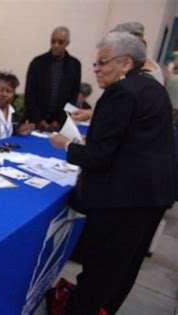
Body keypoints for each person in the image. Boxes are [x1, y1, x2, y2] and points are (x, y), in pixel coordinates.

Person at [50, 32, 175, 315]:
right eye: (94, 63)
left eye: (102, 62)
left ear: (126, 63)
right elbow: (131, 140)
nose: (96, 69)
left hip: (123, 202)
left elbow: (98, 157)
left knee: (99, 272)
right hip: (152, 197)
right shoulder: (151, 88)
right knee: (122, 271)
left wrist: (67, 145)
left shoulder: (119, 93)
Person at [24, 26, 81, 131]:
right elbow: (29, 95)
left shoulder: (74, 66)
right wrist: (38, 120)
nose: (56, 45)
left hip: (59, 125)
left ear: (67, 43)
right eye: (53, 41)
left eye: (60, 42)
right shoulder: (37, 63)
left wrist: (60, 121)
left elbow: (73, 98)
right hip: (35, 123)